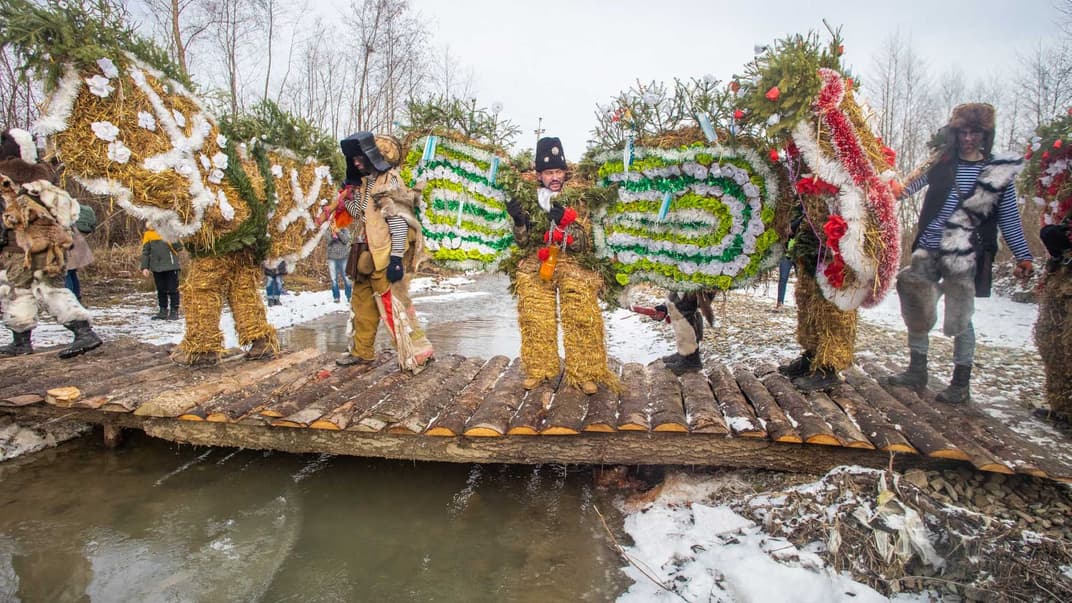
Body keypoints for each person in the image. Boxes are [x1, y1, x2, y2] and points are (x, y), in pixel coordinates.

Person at [888, 103, 1034, 404]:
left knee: (961, 315)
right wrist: (886, 188)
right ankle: (917, 371)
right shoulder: (941, 163)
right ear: (955, 133)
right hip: (928, 248)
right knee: (916, 305)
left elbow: (1008, 218)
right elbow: (904, 190)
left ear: (985, 135)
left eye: (975, 133)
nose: (968, 138)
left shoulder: (997, 173)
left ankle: (960, 383)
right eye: (963, 132)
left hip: (966, 253)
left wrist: (1023, 255)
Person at [506, 136, 617, 394]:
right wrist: (519, 222)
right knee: (535, 316)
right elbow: (523, 244)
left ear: (565, 172)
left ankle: (585, 371)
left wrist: (567, 224)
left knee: (580, 315)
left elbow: (584, 243)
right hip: (539, 260)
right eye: (548, 172)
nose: (554, 177)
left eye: (558, 171)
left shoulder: (578, 196)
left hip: (572, 262)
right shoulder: (529, 198)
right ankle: (539, 368)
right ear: (539, 175)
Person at [327, 132, 433, 371]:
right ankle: (361, 352)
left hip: (385, 255)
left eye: (358, 157)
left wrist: (396, 258)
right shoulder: (368, 183)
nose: (355, 162)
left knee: (393, 306)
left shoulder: (389, 181)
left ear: (372, 156)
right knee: (362, 304)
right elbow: (360, 214)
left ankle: (417, 352)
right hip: (367, 253)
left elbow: (397, 221)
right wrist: (349, 196)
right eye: (352, 158)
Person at [0, 128, 102, 359]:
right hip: (28, 249)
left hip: (34, 247)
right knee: (19, 291)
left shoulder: (20, 183)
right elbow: (71, 213)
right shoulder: (40, 183)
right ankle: (21, 340)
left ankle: (84, 332)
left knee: (48, 290)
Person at [140, 225, 181, 320]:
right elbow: (145, 252)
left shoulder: (170, 230)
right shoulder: (148, 234)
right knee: (161, 290)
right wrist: (145, 267)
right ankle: (163, 311)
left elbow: (179, 247)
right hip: (156, 267)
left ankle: (174, 311)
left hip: (171, 266)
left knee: (173, 289)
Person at [64, 201, 95, 302]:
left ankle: (70, 300)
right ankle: (76, 298)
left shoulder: (62, 214)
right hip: (76, 246)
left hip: (70, 247)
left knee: (66, 272)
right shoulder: (71, 213)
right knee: (71, 272)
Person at [325, 223, 352, 303]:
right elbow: (328, 241)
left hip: (343, 257)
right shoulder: (328, 229)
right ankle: (336, 297)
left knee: (347, 278)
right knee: (334, 279)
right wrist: (333, 234)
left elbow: (346, 240)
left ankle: (349, 296)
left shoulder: (344, 229)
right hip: (332, 258)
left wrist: (338, 232)